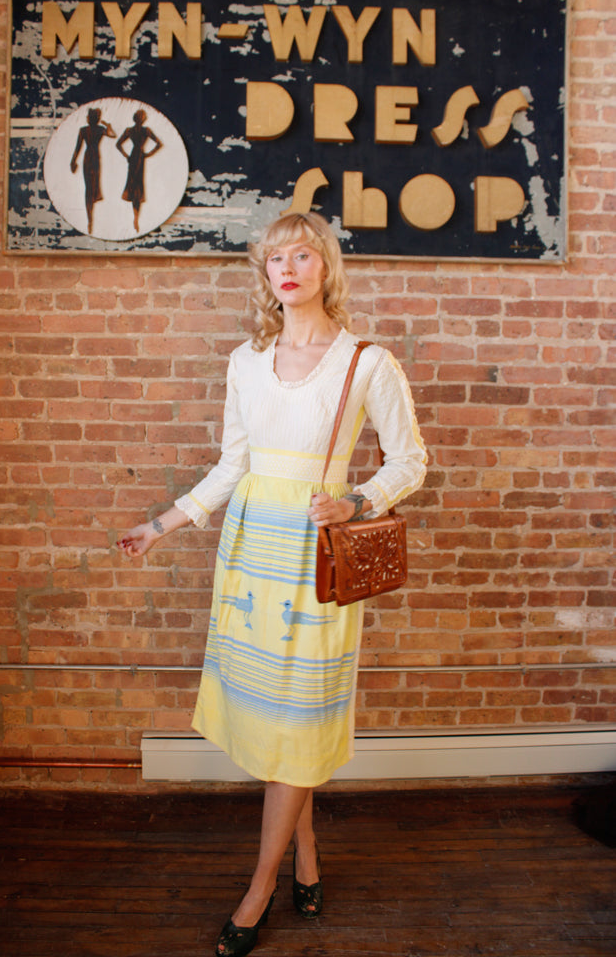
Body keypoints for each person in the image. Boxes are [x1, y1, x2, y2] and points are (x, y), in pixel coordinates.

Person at [118, 212, 427, 957]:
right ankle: (306, 852)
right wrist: (162, 524)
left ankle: (257, 892)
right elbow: (233, 465)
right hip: (251, 553)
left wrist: (353, 502)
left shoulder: (365, 361)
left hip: (313, 558)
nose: (286, 268)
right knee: (276, 722)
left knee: (298, 720)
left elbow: (409, 461)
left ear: (325, 267)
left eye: (301, 255)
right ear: (264, 274)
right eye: (273, 258)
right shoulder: (245, 361)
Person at [70, 107, 116, 234]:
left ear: (90, 118)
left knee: (89, 188)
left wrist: (73, 161)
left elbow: (78, 148)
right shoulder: (99, 129)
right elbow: (112, 134)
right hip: (94, 158)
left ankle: (90, 217)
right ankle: (90, 219)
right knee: (91, 188)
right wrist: (108, 126)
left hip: (88, 158)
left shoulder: (84, 130)